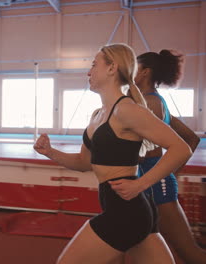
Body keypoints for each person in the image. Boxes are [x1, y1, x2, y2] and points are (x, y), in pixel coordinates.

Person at [33, 43, 192, 264]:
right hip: (129, 210)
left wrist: (141, 184)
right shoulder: (97, 115)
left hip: (126, 213)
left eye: (93, 65)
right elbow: (83, 162)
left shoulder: (126, 110)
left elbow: (181, 148)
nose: (89, 72)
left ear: (111, 68)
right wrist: (50, 152)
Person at [134, 50, 205, 263]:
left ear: (145, 72)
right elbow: (192, 139)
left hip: (155, 186)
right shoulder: (153, 102)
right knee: (133, 246)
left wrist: (168, 175)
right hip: (151, 183)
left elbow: (143, 152)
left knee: (189, 253)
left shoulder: (149, 104)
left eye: (134, 68)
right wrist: (171, 173)